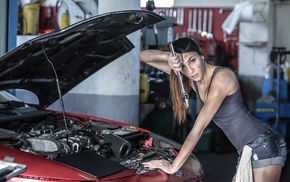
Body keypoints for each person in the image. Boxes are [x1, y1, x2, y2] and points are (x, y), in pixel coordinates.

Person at [140, 37, 287, 182]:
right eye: (183, 66)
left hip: (263, 145)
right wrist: (168, 57)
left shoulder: (222, 78)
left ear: (202, 56)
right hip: (246, 149)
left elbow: (198, 128)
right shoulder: (191, 78)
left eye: (192, 60)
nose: (190, 70)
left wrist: (173, 167)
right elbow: (143, 56)